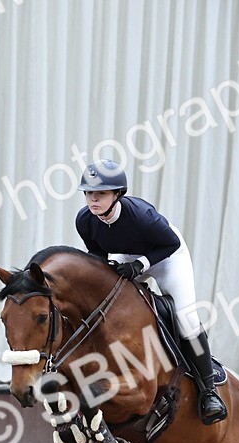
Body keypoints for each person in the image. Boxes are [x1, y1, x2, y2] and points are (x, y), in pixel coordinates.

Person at [75, 159, 227, 425]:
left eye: (101, 194)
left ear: (117, 194)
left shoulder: (140, 215)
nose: (93, 199)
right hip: (129, 257)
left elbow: (171, 243)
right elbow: (97, 257)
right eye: (89, 193)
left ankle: (209, 393)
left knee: (186, 319)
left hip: (166, 257)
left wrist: (140, 265)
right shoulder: (85, 221)